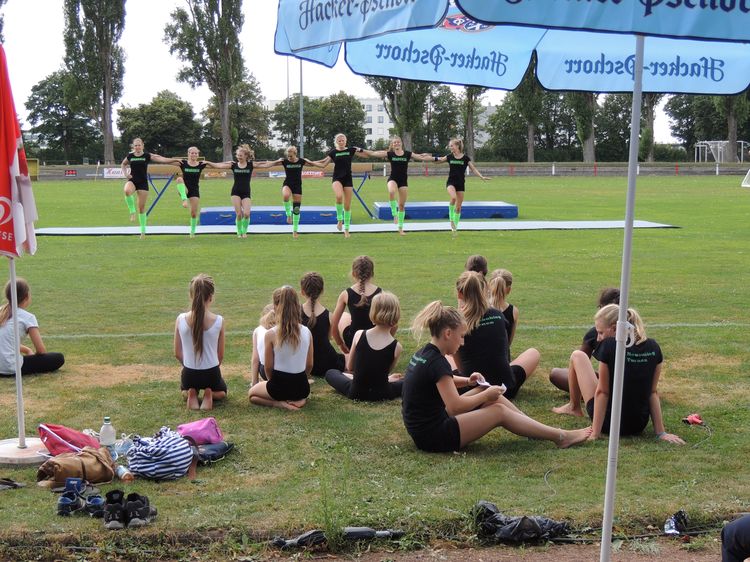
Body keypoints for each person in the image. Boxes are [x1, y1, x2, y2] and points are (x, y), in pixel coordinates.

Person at [401, 300, 591, 453]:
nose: (463, 342)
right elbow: (455, 406)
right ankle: (561, 437)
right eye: (462, 336)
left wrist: (468, 381)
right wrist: (486, 395)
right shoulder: (437, 362)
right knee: (498, 411)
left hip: (424, 428)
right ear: (448, 333)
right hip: (434, 436)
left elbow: (441, 381)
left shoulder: (425, 353)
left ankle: (533, 429)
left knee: (485, 391)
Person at [552, 304, 685, 444]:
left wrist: (595, 433)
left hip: (608, 423)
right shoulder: (653, 347)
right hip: (638, 424)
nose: (598, 338)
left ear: (615, 328)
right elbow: (652, 392)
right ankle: (573, 407)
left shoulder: (609, 345)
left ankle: (573, 407)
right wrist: (661, 433)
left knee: (577, 355)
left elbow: (603, 392)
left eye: (600, 332)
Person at [453, 271, 537, 400]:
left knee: (447, 355)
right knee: (533, 353)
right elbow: (505, 348)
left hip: (472, 389)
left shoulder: (456, 321)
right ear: (486, 290)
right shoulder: (497, 314)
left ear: (459, 294)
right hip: (505, 388)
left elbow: (461, 368)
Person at [325, 291, 403, 401]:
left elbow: (350, 367)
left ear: (373, 312)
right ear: (396, 316)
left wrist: (354, 376)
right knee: (407, 381)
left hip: (356, 392)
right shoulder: (397, 346)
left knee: (331, 373)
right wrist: (388, 378)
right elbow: (385, 372)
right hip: (383, 393)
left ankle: (354, 379)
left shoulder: (359, 335)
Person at [248, 286, 313, 410]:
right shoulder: (307, 332)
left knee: (252, 394)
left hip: (279, 386)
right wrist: (300, 380)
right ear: (297, 306)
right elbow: (309, 365)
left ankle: (280, 404)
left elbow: (268, 368)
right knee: (295, 391)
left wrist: (272, 383)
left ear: (275, 307)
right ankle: (300, 399)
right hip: (302, 387)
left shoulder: (271, 334)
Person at [549, 287, 620, 392]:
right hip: (629, 388)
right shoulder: (636, 334)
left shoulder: (596, 334)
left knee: (557, 373)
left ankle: (581, 398)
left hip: (610, 391)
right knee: (558, 373)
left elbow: (577, 364)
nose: (598, 338)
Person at [174, 274, 227, 410]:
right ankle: (209, 393)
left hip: (189, 374)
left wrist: (190, 365)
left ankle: (191, 392)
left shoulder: (180, 319)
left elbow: (177, 353)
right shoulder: (219, 321)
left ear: (191, 295)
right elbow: (220, 355)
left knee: (185, 389)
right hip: (212, 373)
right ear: (211, 297)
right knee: (222, 392)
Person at [360, 137, 433, 235]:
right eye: (394, 143)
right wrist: (361, 150)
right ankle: (394, 214)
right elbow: (373, 153)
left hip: (403, 181)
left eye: (398, 142)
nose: (396, 144)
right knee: (391, 191)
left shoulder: (408, 154)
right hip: (393, 179)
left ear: (401, 143)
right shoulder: (390, 154)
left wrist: (436, 159)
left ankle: (400, 228)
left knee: (402, 205)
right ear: (392, 145)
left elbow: (422, 157)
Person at [206, 145, 276, 238]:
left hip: (246, 192)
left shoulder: (250, 165)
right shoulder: (233, 165)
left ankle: (244, 231)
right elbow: (219, 165)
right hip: (235, 192)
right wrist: (208, 162)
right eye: (238, 155)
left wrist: (276, 162)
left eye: (241, 155)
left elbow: (265, 165)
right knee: (239, 214)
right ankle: (239, 232)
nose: (239, 157)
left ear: (246, 156)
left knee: (246, 214)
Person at [0, 278, 64, 376]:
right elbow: (41, 351)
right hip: (10, 367)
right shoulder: (28, 317)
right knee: (58, 358)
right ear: (27, 296)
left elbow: (6, 341)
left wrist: (27, 350)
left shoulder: (1, 311)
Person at [120, 138, 181, 238]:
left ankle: (143, 231)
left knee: (141, 208)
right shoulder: (130, 156)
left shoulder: (147, 155)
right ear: (133, 147)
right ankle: (132, 211)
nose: (137, 147)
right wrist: (125, 173)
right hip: (133, 180)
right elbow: (123, 164)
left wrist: (174, 160)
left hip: (143, 183)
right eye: (135, 145)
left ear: (142, 146)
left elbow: (161, 159)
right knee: (127, 191)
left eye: (139, 145)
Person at [487, 269, 540, 378]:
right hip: (503, 367)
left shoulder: (478, 309)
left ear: (489, 285)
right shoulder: (513, 311)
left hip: (479, 368)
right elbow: (508, 343)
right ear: (509, 289)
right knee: (534, 353)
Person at [314, 133, 369, 238]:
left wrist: (360, 149)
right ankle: (339, 220)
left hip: (348, 179)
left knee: (347, 206)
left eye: (343, 140)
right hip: (337, 178)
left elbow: (366, 155)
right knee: (339, 196)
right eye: (339, 141)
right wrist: (310, 162)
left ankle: (346, 230)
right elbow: (323, 164)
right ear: (336, 142)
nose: (341, 142)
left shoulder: (350, 150)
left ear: (345, 141)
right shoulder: (333, 152)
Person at [264, 146, 325, 238]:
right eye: (288, 156)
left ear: (295, 154)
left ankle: (295, 230)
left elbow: (312, 164)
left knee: (296, 209)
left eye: (291, 156)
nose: (289, 158)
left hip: (297, 186)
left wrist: (311, 161)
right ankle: (288, 214)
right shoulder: (284, 161)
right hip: (288, 183)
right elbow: (269, 164)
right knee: (285, 196)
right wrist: (276, 161)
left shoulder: (301, 161)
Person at [432, 138, 489, 233]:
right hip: (451, 182)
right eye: (450, 146)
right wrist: (429, 158)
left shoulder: (465, 158)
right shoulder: (449, 156)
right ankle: (451, 219)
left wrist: (481, 176)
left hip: (461, 184)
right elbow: (439, 161)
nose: (450, 147)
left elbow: (473, 169)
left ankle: (455, 228)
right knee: (453, 198)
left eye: (451, 146)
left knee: (458, 208)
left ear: (457, 146)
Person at [330, 255, 383, 354]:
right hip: (375, 340)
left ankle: (350, 355)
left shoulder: (346, 294)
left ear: (353, 273)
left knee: (344, 316)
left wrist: (341, 344)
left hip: (353, 341)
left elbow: (333, 324)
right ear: (372, 273)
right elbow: (393, 324)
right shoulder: (381, 293)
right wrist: (384, 341)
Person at [300, 272, 345, 378]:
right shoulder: (329, 315)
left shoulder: (295, 313)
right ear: (322, 291)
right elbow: (328, 338)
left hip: (302, 362)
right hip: (325, 363)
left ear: (302, 292)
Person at [174, 147, 207, 238]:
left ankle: (192, 232)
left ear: (198, 155)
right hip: (184, 188)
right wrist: (155, 157)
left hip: (194, 190)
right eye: (192, 153)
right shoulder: (183, 163)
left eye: (196, 153)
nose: (194, 154)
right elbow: (168, 161)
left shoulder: (201, 164)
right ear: (188, 154)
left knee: (193, 213)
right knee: (179, 179)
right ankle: (184, 199)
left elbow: (216, 165)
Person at [250, 304, 275, 387]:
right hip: (283, 370)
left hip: (264, 371)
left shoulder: (258, 330)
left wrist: (254, 382)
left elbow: (255, 359)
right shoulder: (283, 329)